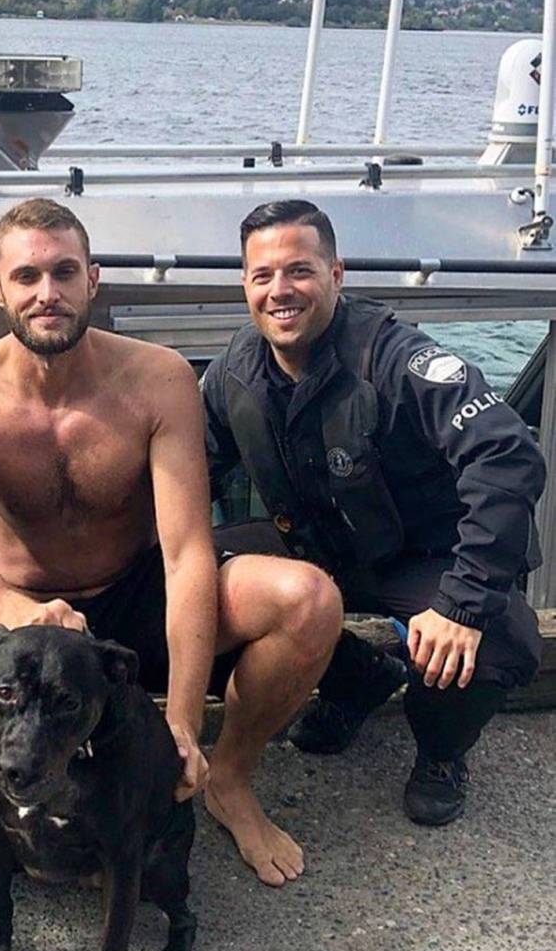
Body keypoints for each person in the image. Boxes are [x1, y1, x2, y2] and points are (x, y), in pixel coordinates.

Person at [0, 198, 343, 888]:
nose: (48, 293)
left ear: (92, 279)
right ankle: (52, 804)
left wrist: (181, 724)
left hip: (134, 589)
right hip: (20, 610)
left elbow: (186, 554)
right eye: (27, 276)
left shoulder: (158, 378)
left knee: (307, 600)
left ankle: (229, 779)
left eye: (64, 272)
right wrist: (25, 615)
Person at [201, 198, 546, 827]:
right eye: (263, 275)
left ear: (336, 275)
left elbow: (506, 453)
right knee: (194, 587)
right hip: (318, 549)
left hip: (423, 555)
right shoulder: (236, 373)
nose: (280, 291)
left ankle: (440, 750)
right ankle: (356, 679)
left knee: (496, 639)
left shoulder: (396, 359)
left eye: (299, 271)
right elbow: (188, 470)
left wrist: (462, 602)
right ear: (245, 286)